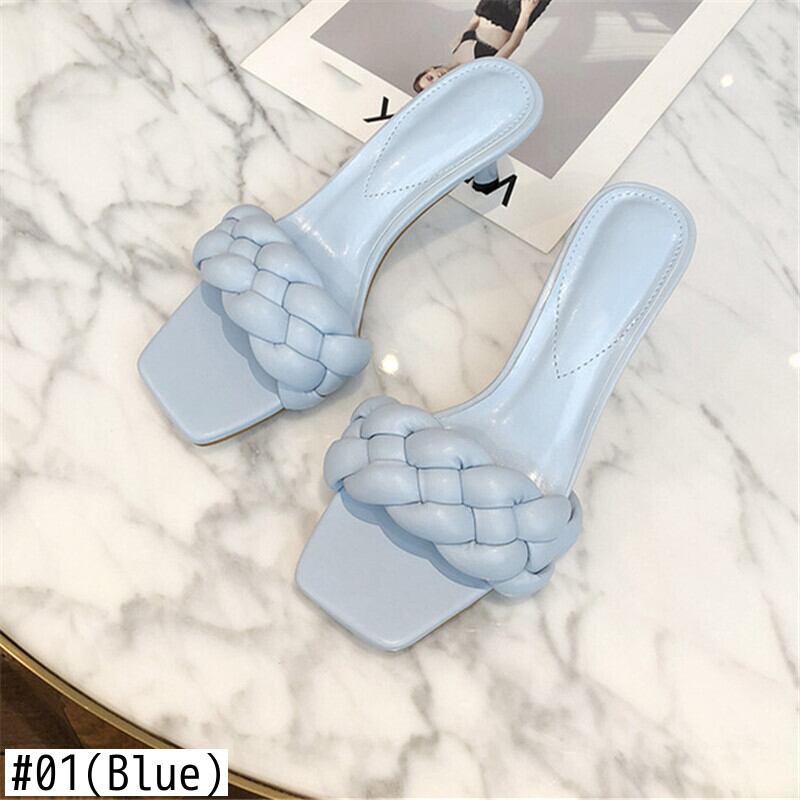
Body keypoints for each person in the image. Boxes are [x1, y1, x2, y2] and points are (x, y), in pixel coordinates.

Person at [413, 0, 553, 93]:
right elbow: (513, 44)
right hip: (515, 14)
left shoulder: (454, 45)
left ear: (429, 70)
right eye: (436, 84)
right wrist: (526, 12)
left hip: (493, 5)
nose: (438, 77)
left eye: (430, 78)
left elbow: (475, 19)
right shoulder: (477, 70)